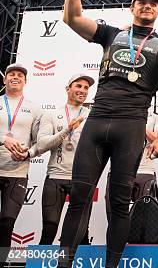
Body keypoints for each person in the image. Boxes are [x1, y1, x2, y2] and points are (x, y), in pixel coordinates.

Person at [59, 0, 158, 268]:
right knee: (79, 200)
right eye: (142, 1)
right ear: (133, 6)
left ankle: (112, 265)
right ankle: (63, 262)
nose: (147, 7)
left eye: (153, 3)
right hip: (98, 120)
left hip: (131, 125)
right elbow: (72, 17)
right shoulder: (112, 34)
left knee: (119, 204)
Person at [35, 73, 94, 245]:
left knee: (80, 234)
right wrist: (67, 130)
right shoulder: (52, 114)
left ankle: (67, 263)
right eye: (78, 86)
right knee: (49, 229)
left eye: (86, 88)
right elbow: (41, 145)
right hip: (55, 177)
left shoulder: (93, 115)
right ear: (68, 89)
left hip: (82, 180)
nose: (82, 90)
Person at [0, 63, 50, 262]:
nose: (16, 77)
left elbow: (42, 141)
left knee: (6, 224)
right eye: (11, 74)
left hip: (17, 173)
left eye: (20, 75)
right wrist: (4, 138)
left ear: (25, 81)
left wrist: (28, 153)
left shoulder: (34, 109)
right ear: (5, 80)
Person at [105, 106, 158, 221]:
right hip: (118, 171)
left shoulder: (155, 116)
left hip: (145, 171)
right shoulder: (117, 113)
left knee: (144, 219)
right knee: (114, 215)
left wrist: (139, 124)